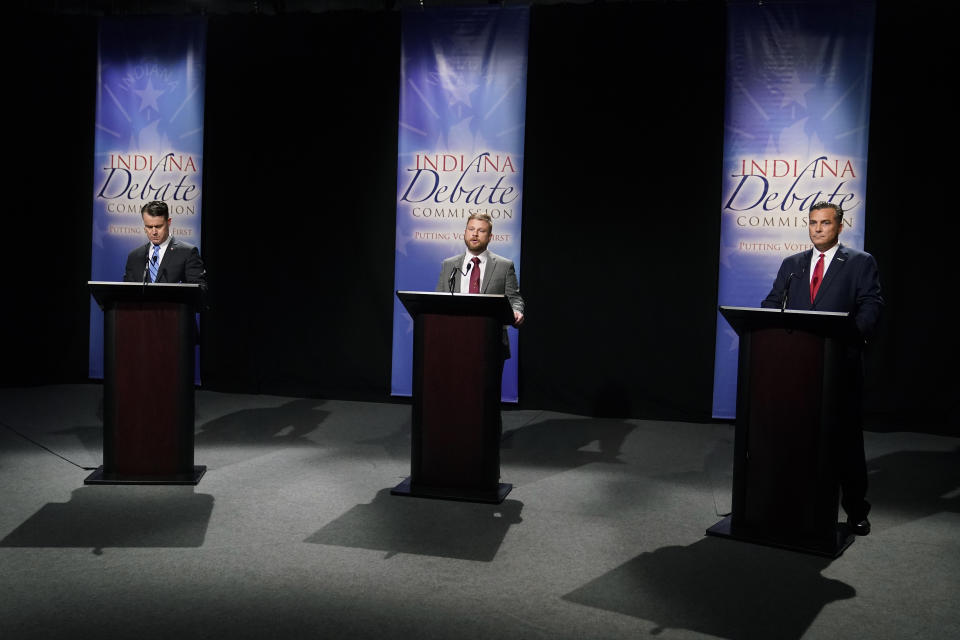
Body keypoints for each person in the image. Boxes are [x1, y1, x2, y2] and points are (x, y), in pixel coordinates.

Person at [761, 201, 883, 536]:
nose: (817, 229)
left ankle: (856, 510)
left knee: (845, 443)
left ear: (839, 226)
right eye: (813, 223)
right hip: (797, 369)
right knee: (796, 439)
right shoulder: (792, 264)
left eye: (825, 223)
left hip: (840, 365)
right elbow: (772, 304)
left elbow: (870, 303)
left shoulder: (859, 262)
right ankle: (793, 504)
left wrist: (854, 335)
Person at [435, 213, 524, 357]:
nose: (475, 234)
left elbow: (514, 299)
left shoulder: (504, 266)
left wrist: (517, 311)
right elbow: (438, 302)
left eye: (481, 231)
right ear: (465, 233)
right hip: (453, 341)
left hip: (491, 343)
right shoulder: (449, 265)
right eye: (471, 229)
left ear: (490, 237)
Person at [123, 201, 207, 289]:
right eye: (149, 227)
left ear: (169, 222)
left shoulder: (187, 253)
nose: (154, 232)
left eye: (158, 226)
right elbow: (126, 292)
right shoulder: (134, 256)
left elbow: (200, 290)